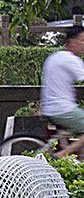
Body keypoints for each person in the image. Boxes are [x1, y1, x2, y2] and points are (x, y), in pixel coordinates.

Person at [41, 25, 84, 158]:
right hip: (63, 109)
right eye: (82, 40)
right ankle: (62, 155)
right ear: (72, 42)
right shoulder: (71, 60)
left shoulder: (54, 57)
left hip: (50, 108)